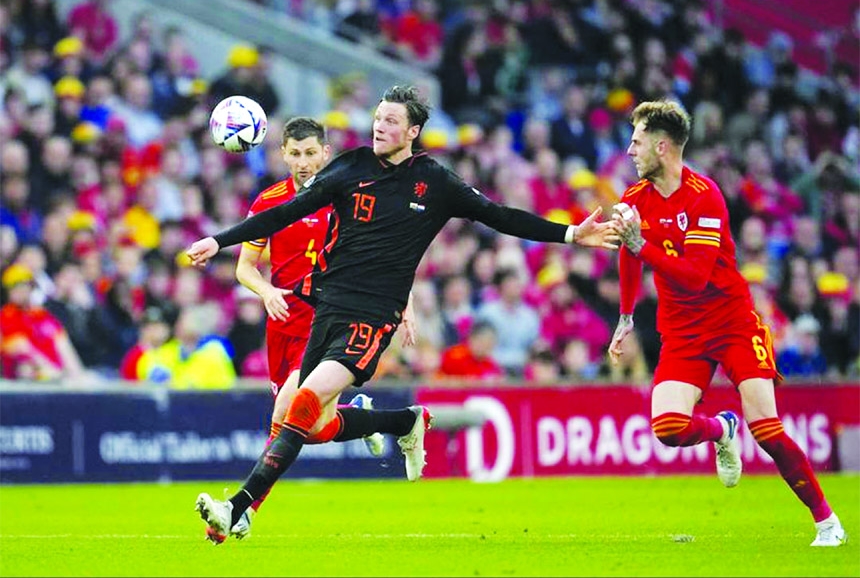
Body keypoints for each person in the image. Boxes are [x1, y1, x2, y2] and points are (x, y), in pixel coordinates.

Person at [187, 85, 618, 541]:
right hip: (326, 310)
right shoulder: (350, 167)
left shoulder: (435, 182)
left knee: (304, 403)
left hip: (372, 317)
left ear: (412, 131)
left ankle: (238, 508)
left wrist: (571, 234)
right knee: (307, 427)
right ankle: (405, 421)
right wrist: (220, 240)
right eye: (377, 117)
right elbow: (285, 213)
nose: (379, 125)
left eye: (391, 121)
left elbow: (500, 216)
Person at [608, 99, 846, 547]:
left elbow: (695, 276)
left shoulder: (704, 195)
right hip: (680, 330)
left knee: (768, 429)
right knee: (669, 428)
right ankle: (721, 429)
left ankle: (827, 522)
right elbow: (628, 252)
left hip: (732, 321)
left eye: (637, 141)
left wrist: (642, 246)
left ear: (662, 147)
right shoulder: (634, 198)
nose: (629, 151)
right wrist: (624, 315)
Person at [218, 116, 423, 543]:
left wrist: (402, 305)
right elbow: (244, 268)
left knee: (286, 417)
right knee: (310, 429)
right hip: (281, 325)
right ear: (283, 155)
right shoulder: (270, 201)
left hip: (329, 319)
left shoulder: (346, 194)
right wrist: (266, 290)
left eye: (311, 152)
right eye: (295, 153)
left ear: (326, 154)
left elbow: (382, 257)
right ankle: (394, 421)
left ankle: (243, 510)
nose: (303, 162)